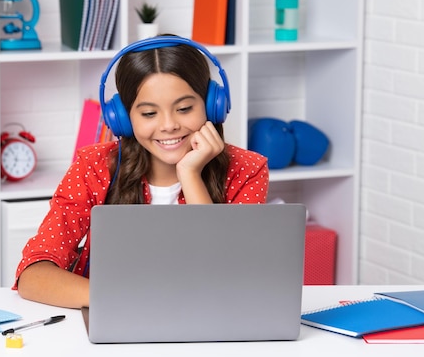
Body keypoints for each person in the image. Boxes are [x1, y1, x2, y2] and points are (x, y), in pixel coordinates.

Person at [14, 35, 269, 308]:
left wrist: (190, 175)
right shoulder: (94, 167)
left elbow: (231, 276)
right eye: (149, 113)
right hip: (116, 318)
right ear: (123, 117)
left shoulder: (247, 170)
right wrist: (134, 303)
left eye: (184, 108)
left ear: (211, 105)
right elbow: (33, 274)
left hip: (209, 320)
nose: (169, 125)